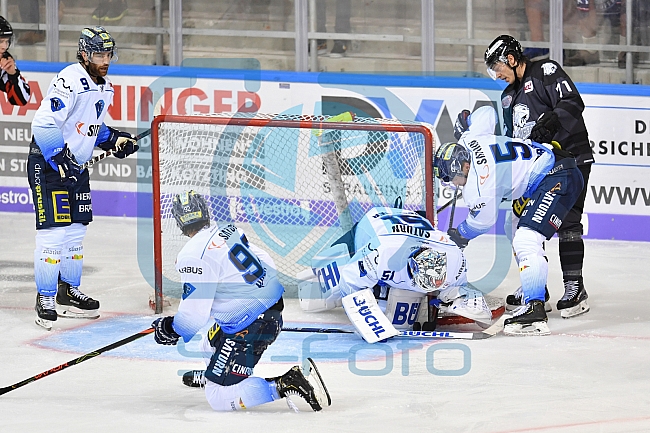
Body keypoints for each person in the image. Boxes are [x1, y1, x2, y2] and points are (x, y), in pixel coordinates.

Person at [150, 190, 330, 412]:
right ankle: (216, 375)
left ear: (179, 222)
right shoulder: (227, 231)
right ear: (205, 212)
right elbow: (266, 261)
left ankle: (285, 383)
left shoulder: (191, 254)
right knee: (207, 344)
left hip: (252, 325)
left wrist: (170, 328)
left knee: (217, 399)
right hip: (268, 311)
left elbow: (193, 316)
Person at [436, 106, 584, 336]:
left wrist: (460, 234)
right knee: (512, 226)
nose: (453, 183)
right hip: (548, 171)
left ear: (461, 166)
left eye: (450, 177)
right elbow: (486, 113)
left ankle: (535, 310)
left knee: (526, 239)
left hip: (556, 175)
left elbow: (482, 222)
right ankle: (536, 289)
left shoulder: (477, 186)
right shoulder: (470, 138)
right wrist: (467, 121)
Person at [27, 26, 139, 330]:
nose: (104, 59)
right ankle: (46, 297)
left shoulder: (105, 87)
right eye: (97, 53)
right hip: (48, 164)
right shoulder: (69, 80)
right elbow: (44, 123)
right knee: (53, 234)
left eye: (107, 53)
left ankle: (67, 291)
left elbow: (90, 128)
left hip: (75, 167)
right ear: (83, 53)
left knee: (75, 234)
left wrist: (115, 139)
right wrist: (58, 156)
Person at [483, 34, 593, 320]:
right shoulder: (507, 97)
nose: (496, 74)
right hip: (536, 171)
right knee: (522, 224)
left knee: (568, 221)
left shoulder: (546, 72)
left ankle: (575, 288)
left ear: (510, 57)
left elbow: (572, 102)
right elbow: (512, 139)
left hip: (571, 160)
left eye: (497, 66)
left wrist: (551, 122)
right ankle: (536, 289)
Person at [299, 206, 492, 342]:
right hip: (372, 228)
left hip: (413, 228)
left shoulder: (455, 258)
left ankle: (384, 290)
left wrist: (460, 302)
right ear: (412, 267)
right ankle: (375, 287)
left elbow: (465, 295)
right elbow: (350, 282)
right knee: (319, 294)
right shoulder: (382, 253)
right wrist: (365, 321)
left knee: (399, 322)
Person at [0, 16, 31, 105]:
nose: (4, 47)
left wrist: (13, 75)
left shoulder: (5, 60)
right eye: (0, 41)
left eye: (6, 41)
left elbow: (22, 100)